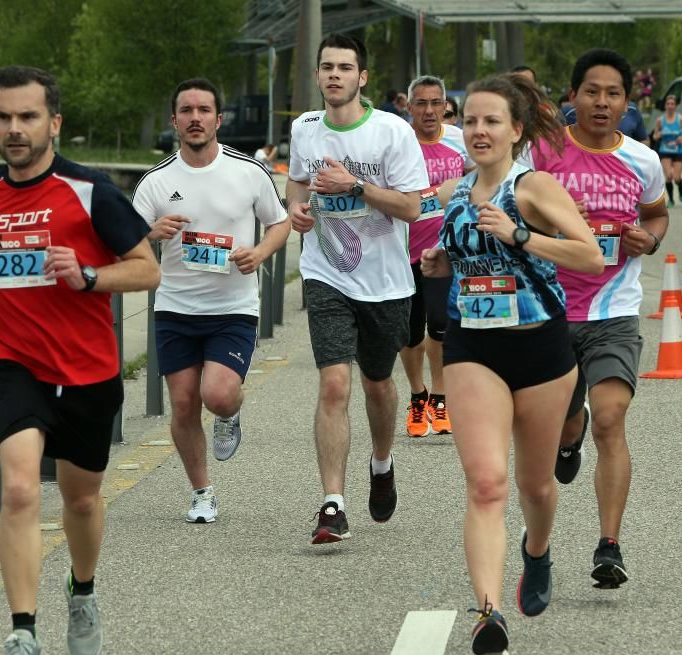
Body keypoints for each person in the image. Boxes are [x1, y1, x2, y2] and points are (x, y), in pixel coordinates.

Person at [0, 65, 160, 655]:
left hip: (88, 368)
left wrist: (90, 276)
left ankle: (84, 590)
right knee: (18, 490)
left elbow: (147, 269)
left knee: (82, 500)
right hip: (14, 360)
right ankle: (22, 636)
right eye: (3, 118)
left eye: (27, 117)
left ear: (54, 123)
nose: (14, 130)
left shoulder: (91, 192)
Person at [421, 73, 603, 655]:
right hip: (473, 346)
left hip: (541, 352)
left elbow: (590, 254)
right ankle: (488, 613)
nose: (478, 130)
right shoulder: (453, 191)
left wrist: (523, 236)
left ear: (516, 131)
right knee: (486, 483)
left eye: (491, 121)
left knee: (536, 486)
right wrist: (440, 257)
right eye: (469, 120)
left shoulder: (533, 187)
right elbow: (463, 249)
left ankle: (539, 548)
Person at [520, 48, 668, 590]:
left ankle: (609, 545)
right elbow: (511, 203)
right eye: (592, 91)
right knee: (564, 421)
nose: (602, 102)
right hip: (551, 307)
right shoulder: (543, 153)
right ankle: (566, 437)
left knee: (610, 417)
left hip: (613, 309)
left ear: (628, 102)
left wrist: (648, 239)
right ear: (573, 96)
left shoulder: (642, 160)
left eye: (613, 94)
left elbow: (656, 212)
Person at [287, 34, 428, 544]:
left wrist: (354, 187)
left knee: (376, 384)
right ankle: (332, 503)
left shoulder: (392, 132)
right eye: (327, 67)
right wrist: (296, 210)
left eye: (345, 68)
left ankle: (383, 462)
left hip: (387, 281)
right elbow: (299, 184)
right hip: (327, 272)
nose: (334, 75)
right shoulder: (304, 128)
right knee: (333, 384)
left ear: (362, 78)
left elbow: (412, 208)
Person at [132, 78, 289, 523]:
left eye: (204, 110)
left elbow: (279, 224)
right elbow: (122, 240)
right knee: (183, 405)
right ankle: (202, 492)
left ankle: (229, 414)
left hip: (233, 310)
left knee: (217, 396)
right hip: (175, 309)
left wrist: (258, 253)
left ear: (218, 119)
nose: (195, 118)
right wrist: (150, 233)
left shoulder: (247, 171)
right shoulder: (156, 182)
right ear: (174, 121)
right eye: (187, 110)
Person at [401, 75, 474, 437]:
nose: (429, 111)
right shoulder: (398, 142)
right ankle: (418, 395)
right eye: (421, 103)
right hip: (403, 252)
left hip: (447, 251)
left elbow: (480, 176)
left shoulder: (460, 141)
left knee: (441, 328)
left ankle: (440, 396)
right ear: (408, 106)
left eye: (435, 103)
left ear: (446, 106)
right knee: (410, 334)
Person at [652, 95, 682, 206]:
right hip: (665, 150)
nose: (670, 106)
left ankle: (680, 187)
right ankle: (671, 200)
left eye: (672, 104)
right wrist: (659, 134)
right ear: (665, 106)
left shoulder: (681, 119)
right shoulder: (660, 120)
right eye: (668, 104)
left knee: (676, 178)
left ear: (676, 106)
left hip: (678, 150)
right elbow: (654, 136)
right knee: (669, 176)